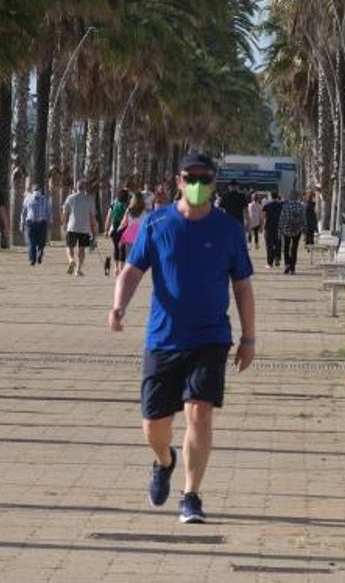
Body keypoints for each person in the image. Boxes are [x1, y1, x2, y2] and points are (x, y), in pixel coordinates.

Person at [109, 153, 256, 524]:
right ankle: (164, 461)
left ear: (214, 182)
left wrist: (249, 337)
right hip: (163, 339)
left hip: (211, 339)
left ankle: (191, 495)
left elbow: (242, 285)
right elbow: (131, 271)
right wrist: (119, 307)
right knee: (154, 426)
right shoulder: (157, 223)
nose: (197, 184)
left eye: (205, 178)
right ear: (178, 180)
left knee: (199, 413)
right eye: (191, 177)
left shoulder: (228, 229)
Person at [62, 180, 99, 276]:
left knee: (69, 246)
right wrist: (94, 229)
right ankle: (78, 270)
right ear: (85, 188)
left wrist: (64, 223)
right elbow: (92, 217)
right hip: (85, 228)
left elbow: (65, 213)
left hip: (72, 226)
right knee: (81, 249)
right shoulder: (89, 199)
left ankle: (71, 260)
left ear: (76, 187)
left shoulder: (70, 198)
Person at [20, 183, 52, 266]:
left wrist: (49, 222)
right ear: (32, 190)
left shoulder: (44, 200)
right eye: (36, 190)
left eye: (38, 190)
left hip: (42, 223)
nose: (37, 192)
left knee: (41, 242)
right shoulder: (28, 199)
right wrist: (22, 223)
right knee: (32, 242)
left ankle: (40, 253)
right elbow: (23, 212)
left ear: (41, 191)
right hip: (31, 223)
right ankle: (32, 259)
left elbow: (48, 212)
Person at [279, 191, 307, 275]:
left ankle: (287, 264)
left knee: (286, 247)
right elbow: (303, 219)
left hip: (286, 229)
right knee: (294, 248)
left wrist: (280, 229)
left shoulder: (286, 205)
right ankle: (293, 267)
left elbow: (282, 218)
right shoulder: (301, 206)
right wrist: (305, 230)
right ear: (297, 197)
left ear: (290, 197)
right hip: (297, 230)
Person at [106, 189, 131, 276]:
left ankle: (116, 268)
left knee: (116, 248)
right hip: (124, 228)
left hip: (114, 228)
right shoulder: (128, 205)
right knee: (122, 249)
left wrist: (107, 229)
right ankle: (121, 269)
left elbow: (108, 217)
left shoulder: (113, 204)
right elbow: (129, 218)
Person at [119, 193, 147, 257]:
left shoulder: (129, 210)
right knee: (139, 257)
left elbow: (123, 223)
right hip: (140, 236)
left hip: (129, 236)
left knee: (129, 257)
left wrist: (118, 230)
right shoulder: (144, 211)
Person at [262, 191, 283, 268]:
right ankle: (277, 258)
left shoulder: (266, 205)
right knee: (278, 243)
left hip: (269, 227)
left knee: (269, 245)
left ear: (270, 196)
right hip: (279, 227)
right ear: (277, 196)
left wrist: (262, 227)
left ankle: (270, 263)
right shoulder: (281, 205)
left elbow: (263, 217)